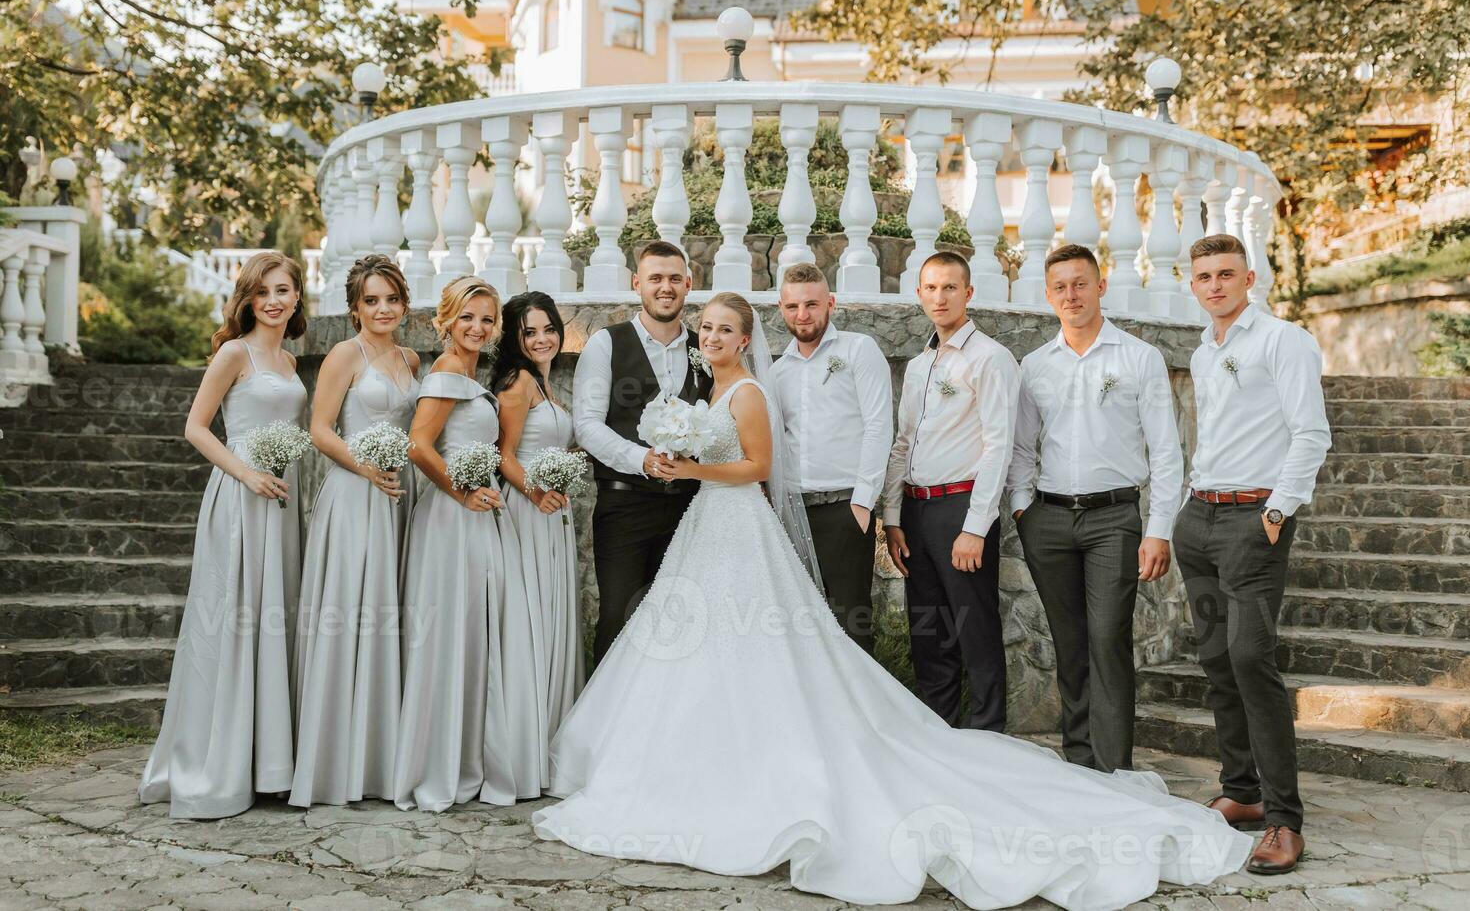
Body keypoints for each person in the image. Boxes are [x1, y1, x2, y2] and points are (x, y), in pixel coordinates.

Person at [531, 290, 1251, 911]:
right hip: (707, 531)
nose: (713, 337)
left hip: (735, 525)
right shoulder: (710, 391)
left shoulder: (747, 391)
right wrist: (674, 453)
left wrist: (688, 463)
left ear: (746, 338)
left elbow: (755, 467)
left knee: (752, 648)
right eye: (706, 329)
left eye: (725, 328)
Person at [1176, 234, 1331, 875]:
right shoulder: (1204, 350)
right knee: (1216, 660)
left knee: (1250, 657)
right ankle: (1240, 790)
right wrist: (1188, 505)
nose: (1215, 285)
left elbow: (1310, 431)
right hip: (1200, 521)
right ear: (1194, 284)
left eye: (1226, 274)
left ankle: (1284, 820)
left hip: (1252, 521)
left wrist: (1277, 509)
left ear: (1250, 277)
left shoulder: (1282, 340)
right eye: (1204, 276)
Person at [138, 250, 308, 819]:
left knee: (274, 620)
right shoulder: (235, 353)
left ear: (297, 296)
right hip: (239, 499)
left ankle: (269, 763)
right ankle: (220, 763)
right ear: (248, 300)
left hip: (283, 502)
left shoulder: (288, 361)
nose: (275, 301)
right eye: (264, 292)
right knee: (234, 620)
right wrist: (247, 474)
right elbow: (195, 426)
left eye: (284, 290)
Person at [1006, 244, 1184, 774]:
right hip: (1051, 520)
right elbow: (1020, 448)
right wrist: (1023, 510)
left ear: (1100, 286)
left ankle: (1113, 769)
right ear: (1047, 295)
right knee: (1070, 641)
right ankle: (1079, 760)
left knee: (1107, 639)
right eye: (1060, 287)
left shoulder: (1138, 357)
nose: (1071, 295)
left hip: (1115, 520)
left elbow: (1167, 451)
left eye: (1080, 283)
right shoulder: (1035, 365)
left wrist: (1158, 530)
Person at [391, 276, 543, 811]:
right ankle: (443, 760)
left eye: (486, 319)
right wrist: (462, 493)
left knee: (477, 630)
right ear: (446, 322)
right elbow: (418, 446)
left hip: (476, 515)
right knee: (455, 631)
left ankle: (469, 752)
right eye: (467, 318)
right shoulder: (449, 373)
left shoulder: (470, 374)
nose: (477, 328)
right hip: (453, 519)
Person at [290, 254, 420, 807]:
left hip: (400, 494)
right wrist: (366, 468)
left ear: (404, 304)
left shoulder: (412, 358)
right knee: (351, 613)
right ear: (354, 309)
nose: (383, 309)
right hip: (354, 492)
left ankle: (385, 754)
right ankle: (335, 760)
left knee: (391, 613)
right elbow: (319, 430)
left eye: (391, 299)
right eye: (371, 301)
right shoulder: (346, 354)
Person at [884, 252, 1019, 732]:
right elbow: (902, 444)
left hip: (962, 509)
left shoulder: (990, 359)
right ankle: (938, 734)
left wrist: (975, 527)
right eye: (931, 288)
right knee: (930, 634)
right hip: (918, 514)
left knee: (974, 629)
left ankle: (987, 735)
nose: (939, 297)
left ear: (968, 293)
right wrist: (894, 518)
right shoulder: (920, 365)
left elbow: (999, 445)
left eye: (949, 288)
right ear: (919, 294)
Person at [572, 241, 712, 667]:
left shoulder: (706, 348)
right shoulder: (606, 345)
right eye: (655, 278)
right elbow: (587, 424)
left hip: (692, 507)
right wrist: (642, 460)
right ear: (638, 284)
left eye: (674, 278)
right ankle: (604, 729)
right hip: (625, 505)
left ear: (689, 284)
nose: (665, 287)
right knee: (620, 616)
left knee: (683, 622)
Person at [771, 262, 893, 654]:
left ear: (831, 303)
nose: (802, 315)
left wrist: (862, 502)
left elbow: (878, 426)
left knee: (851, 623)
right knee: (798, 625)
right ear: (781, 307)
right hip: (793, 512)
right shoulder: (777, 372)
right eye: (792, 307)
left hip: (844, 509)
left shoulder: (858, 350)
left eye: (812, 304)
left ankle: (859, 714)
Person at [493, 291, 583, 790]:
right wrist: (536, 492)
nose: (543, 338)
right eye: (530, 331)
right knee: (529, 622)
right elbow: (504, 454)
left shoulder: (546, 385)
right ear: (515, 337)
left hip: (552, 512)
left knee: (550, 619)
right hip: (528, 513)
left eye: (549, 328)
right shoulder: (519, 381)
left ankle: (549, 740)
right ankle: (522, 754)